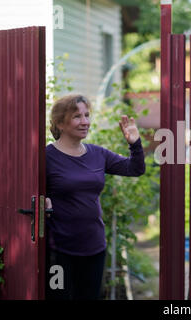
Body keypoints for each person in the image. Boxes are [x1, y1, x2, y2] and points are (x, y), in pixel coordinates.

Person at [45, 94, 145, 300]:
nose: (85, 122)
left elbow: (135, 169)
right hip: (59, 250)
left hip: (94, 247)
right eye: (76, 116)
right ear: (60, 123)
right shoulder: (47, 157)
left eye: (87, 115)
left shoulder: (97, 154)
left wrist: (134, 143)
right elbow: (30, 190)